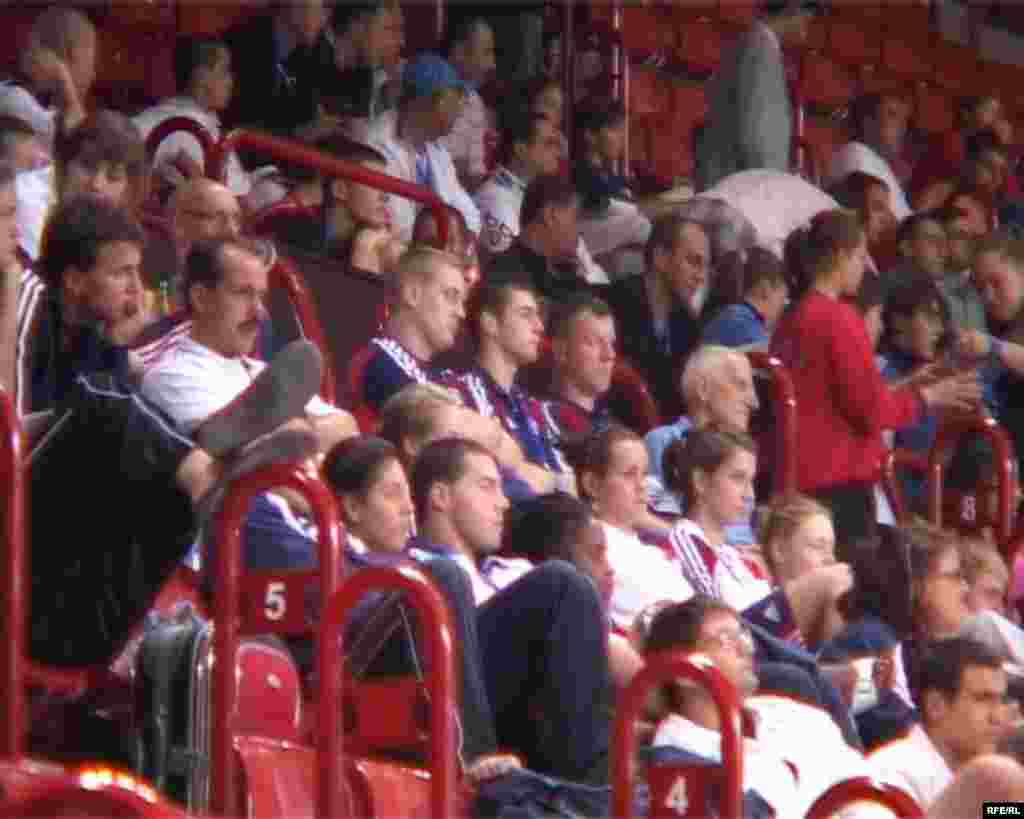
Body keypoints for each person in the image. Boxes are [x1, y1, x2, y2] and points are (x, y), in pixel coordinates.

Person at [139, 238, 357, 571]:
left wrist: (297, 430)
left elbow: (346, 427)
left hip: (312, 513)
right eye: (243, 294)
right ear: (200, 297)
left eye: (261, 296)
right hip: (242, 530)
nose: (260, 312)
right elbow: (249, 473)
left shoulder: (265, 373)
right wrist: (298, 441)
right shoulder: (174, 374)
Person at [408, 437, 613, 785]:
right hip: (438, 696)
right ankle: (473, 761)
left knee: (570, 585)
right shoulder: (408, 568)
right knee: (558, 582)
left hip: (515, 715)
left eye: (502, 490)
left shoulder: (513, 572)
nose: (503, 503)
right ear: (441, 497)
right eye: (487, 487)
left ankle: (582, 792)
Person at [772, 209, 980, 547]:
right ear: (841, 255)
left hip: (800, 480)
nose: (863, 265)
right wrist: (930, 397)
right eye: (859, 255)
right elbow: (871, 411)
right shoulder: (840, 318)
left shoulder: (792, 317)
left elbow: (831, 398)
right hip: (839, 486)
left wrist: (908, 385)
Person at [820, 522, 972, 749]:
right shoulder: (867, 641)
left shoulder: (911, 645)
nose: (965, 588)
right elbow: (890, 731)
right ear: (917, 585)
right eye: (955, 576)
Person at [445, 274, 570, 493]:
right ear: (490, 323)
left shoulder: (533, 408)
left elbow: (567, 485)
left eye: (538, 316)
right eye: (525, 315)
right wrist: (549, 482)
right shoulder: (461, 393)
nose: (539, 326)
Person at [870, 637, 1010, 810]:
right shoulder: (891, 773)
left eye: (1001, 700)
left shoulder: (995, 781)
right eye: (982, 699)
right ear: (936, 706)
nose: (997, 717)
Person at [695, 0, 819, 191]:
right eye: (806, 20)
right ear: (793, 8)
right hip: (741, 193)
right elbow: (759, 136)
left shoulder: (751, 44)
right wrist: (773, 192)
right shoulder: (761, 49)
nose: (806, 31)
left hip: (732, 185)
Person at [474, 112, 604, 279]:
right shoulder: (494, 200)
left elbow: (587, 266)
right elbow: (514, 272)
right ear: (520, 149)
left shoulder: (549, 194)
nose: (558, 154)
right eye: (549, 144)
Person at [604, 214, 711, 414]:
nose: (701, 276)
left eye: (705, 267)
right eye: (693, 262)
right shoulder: (613, 304)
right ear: (660, 258)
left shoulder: (688, 323)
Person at [368, 54, 480, 242]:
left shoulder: (436, 150)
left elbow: (471, 216)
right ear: (432, 101)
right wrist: (450, 240)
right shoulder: (378, 142)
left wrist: (458, 242)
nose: (461, 107)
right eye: (456, 96)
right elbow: (401, 226)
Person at [18, 110, 149, 264]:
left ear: (128, 191)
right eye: (87, 166)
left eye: (113, 177)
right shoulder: (26, 199)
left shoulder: (119, 226)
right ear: (64, 165)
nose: (96, 185)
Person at [644, 345, 758, 521]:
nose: (754, 402)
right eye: (741, 385)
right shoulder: (662, 441)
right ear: (704, 389)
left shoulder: (743, 451)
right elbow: (662, 520)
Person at [357, 245, 469, 413]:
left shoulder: (447, 378)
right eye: (451, 296)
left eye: (463, 302)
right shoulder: (378, 361)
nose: (461, 313)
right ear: (412, 295)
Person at [223, 0, 334, 138]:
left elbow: (314, 113)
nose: (325, 19)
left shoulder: (321, 50)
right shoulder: (242, 41)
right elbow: (237, 123)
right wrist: (299, 133)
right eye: (323, 6)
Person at [489, 174, 605, 301]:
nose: (580, 230)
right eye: (576, 218)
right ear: (550, 215)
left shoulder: (565, 273)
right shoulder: (506, 277)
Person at [572, 99, 651, 274]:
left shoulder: (612, 176)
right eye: (614, 129)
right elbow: (620, 210)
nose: (622, 137)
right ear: (590, 135)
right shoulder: (581, 174)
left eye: (622, 130)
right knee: (641, 224)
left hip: (613, 254)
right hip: (582, 248)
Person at [0, 7, 95, 146]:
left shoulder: (43, 108)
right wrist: (69, 93)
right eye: (89, 63)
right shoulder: (15, 100)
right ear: (67, 58)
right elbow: (82, 149)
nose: (92, 75)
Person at [827, 93, 913, 222]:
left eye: (904, 120)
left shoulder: (883, 164)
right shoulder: (856, 153)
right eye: (892, 115)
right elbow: (878, 222)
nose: (901, 126)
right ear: (868, 122)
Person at [542, 292, 617, 438]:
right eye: (593, 342)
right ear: (562, 351)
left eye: (611, 343)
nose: (609, 355)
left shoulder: (613, 426)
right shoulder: (543, 425)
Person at [441, 16, 498, 191]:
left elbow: (474, 175)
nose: (492, 64)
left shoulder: (474, 101)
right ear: (459, 51)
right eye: (486, 52)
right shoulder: (428, 96)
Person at [700, 246, 789, 349]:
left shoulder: (727, 314)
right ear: (765, 289)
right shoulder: (749, 331)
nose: (782, 308)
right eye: (781, 299)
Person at [758, 493, 837, 586]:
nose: (831, 560)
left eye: (831, 549)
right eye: (818, 546)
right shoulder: (750, 597)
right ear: (779, 550)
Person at [883, 211, 949, 297]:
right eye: (932, 241)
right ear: (907, 247)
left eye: (944, 243)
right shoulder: (883, 292)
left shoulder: (936, 294)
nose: (943, 253)